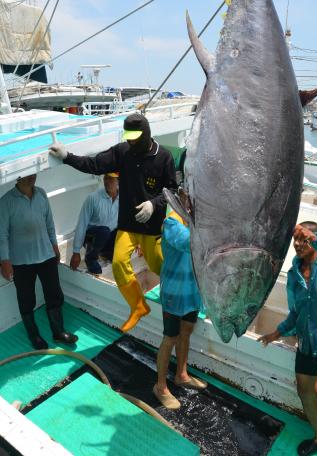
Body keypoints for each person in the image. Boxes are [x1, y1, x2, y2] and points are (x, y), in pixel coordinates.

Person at [49, 112, 177, 333]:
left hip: (151, 226)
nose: (130, 141)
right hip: (127, 225)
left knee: (159, 266)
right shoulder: (122, 151)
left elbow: (172, 190)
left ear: (145, 135)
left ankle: (179, 295)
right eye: (128, 137)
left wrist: (152, 205)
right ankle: (138, 306)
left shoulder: (163, 157)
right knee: (118, 262)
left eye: (134, 138)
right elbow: (94, 164)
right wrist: (67, 156)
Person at [258, 222, 317, 456]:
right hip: (308, 341)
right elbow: (296, 313)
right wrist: (276, 333)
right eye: (297, 241)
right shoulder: (293, 275)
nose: (299, 245)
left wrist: (316, 237)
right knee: (305, 391)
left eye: (305, 240)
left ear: (314, 240)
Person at [0, 174, 78, 349]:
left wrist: (55, 246)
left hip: (46, 254)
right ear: (17, 177)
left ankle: (58, 332)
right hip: (21, 261)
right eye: (27, 175)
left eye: (34, 173)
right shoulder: (5, 202)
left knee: (54, 293)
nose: (32, 177)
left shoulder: (41, 194)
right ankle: (34, 335)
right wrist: (4, 260)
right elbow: (2, 235)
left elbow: (49, 223)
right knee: (26, 298)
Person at [153, 209, 207, 410]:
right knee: (170, 337)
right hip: (174, 292)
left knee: (186, 332)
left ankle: (181, 374)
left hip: (192, 290)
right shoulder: (171, 223)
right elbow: (189, 243)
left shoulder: (198, 222)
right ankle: (160, 386)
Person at [70, 172, 119, 275]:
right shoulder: (93, 198)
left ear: (118, 181)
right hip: (91, 237)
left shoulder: (123, 198)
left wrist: (137, 241)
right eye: (105, 178)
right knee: (104, 231)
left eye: (111, 179)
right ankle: (90, 257)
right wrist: (76, 252)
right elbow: (81, 224)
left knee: (119, 231)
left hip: (107, 236)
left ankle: (106, 253)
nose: (106, 181)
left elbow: (128, 222)